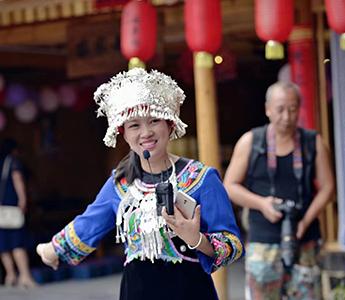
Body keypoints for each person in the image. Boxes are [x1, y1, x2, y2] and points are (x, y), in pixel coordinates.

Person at [36, 68, 244, 300]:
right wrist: (50, 251)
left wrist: (197, 239)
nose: (146, 132)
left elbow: (232, 245)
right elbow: (88, 225)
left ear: (170, 125)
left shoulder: (202, 178)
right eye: (134, 125)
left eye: (154, 120)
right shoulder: (120, 184)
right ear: (123, 133)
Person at [223, 82, 335, 300]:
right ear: (267, 109)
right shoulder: (251, 142)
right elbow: (229, 186)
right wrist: (262, 204)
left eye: (293, 109)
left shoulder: (312, 142)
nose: (287, 116)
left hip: (306, 239)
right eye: (280, 109)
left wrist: (304, 221)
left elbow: (328, 188)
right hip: (263, 242)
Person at [0, 139, 37, 288]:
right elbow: (17, 179)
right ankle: (25, 276)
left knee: (3, 244)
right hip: (11, 206)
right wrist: (23, 199)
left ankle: (10, 275)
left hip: (0, 208)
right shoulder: (12, 161)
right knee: (17, 242)